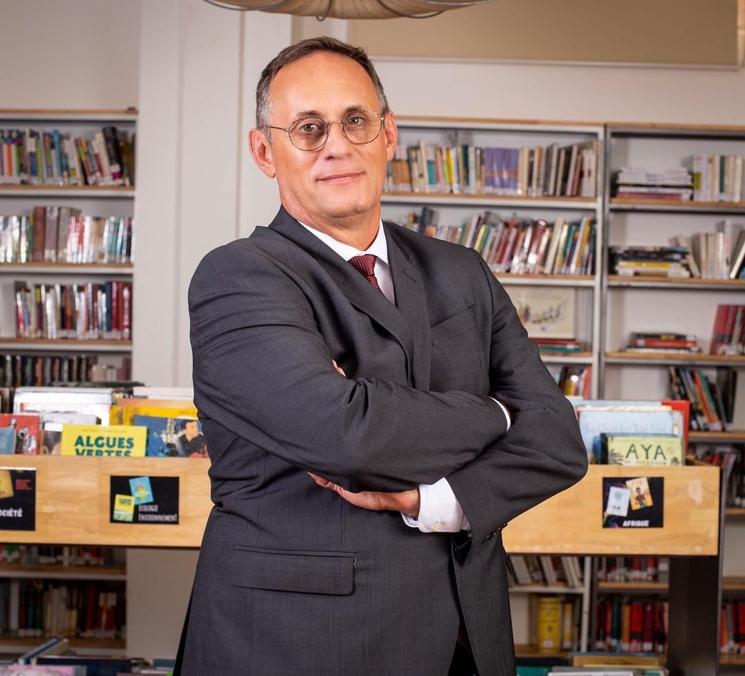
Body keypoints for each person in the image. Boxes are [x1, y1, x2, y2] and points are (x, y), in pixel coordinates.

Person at [178, 37, 588, 676]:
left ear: (388, 134)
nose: (336, 146)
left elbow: (558, 441)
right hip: (300, 645)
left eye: (355, 121)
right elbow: (348, 438)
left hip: (468, 640)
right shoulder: (239, 277)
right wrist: (501, 414)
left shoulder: (462, 271)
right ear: (264, 152)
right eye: (308, 128)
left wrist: (435, 498)